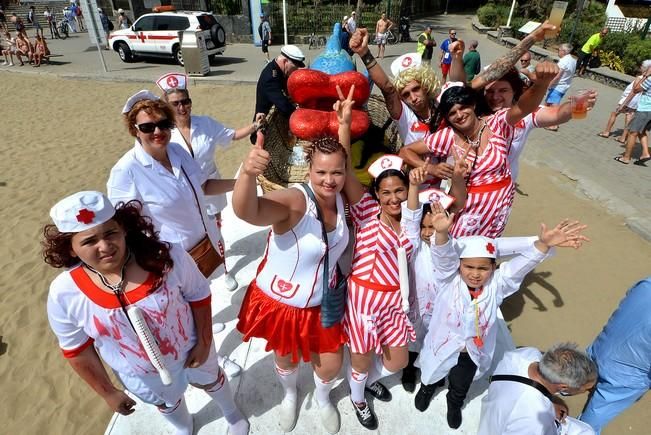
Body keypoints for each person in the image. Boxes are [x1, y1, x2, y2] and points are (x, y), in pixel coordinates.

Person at [43, 191, 249, 435]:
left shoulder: (166, 256)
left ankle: (231, 412)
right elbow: (76, 350)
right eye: (89, 241)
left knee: (212, 380)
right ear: (71, 249)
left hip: (194, 350)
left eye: (111, 233)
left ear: (124, 229)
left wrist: (204, 343)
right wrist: (108, 392)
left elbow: (198, 294)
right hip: (141, 376)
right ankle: (185, 427)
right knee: (167, 402)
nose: (105, 246)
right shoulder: (64, 293)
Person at [232, 93, 353, 433]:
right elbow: (248, 211)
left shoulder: (341, 194)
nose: (329, 180)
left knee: (330, 365)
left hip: (324, 301)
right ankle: (289, 395)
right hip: (285, 302)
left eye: (336, 173)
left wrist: (343, 125)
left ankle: (325, 398)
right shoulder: (296, 201)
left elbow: (338, 157)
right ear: (308, 169)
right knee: (286, 359)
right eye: (321, 173)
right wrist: (246, 173)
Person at [417, 207, 588, 428]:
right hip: (442, 345)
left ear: (494, 267)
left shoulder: (496, 285)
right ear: (458, 266)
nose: (475, 273)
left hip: (471, 352)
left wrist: (543, 244)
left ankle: (454, 402)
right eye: (468, 266)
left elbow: (519, 267)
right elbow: (442, 257)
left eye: (483, 268)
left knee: (461, 382)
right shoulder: (448, 280)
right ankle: (426, 389)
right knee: (432, 371)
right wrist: (441, 234)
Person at [400, 61, 559, 238]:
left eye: (463, 107)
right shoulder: (447, 134)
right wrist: (433, 169)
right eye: (452, 113)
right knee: (458, 247)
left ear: (473, 105)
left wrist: (543, 85)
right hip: (465, 204)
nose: (459, 115)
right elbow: (406, 151)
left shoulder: (496, 122)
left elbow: (525, 108)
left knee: (486, 254)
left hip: (500, 200)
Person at [107, 91, 235, 280]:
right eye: (148, 127)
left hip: (203, 247)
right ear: (135, 130)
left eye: (164, 124)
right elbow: (124, 227)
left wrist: (243, 181)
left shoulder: (177, 151)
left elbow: (204, 186)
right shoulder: (126, 171)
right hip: (170, 262)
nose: (158, 132)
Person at [157, 72, 265, 297]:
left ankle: (225, 270)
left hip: (211, 185)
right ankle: (196, 275)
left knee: (216, 231)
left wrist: (255, 126)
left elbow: (232, 135)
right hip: (183, 194)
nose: (182, 107)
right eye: (175, 103)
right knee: (192, 236)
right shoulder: (163, 135)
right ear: (166, 106)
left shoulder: (204, 124)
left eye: (185, 101)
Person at [481, 69, 597, 182]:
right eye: (490, 91)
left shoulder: (526, 114)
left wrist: (578, 106)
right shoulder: (473, 111)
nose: (495, 97)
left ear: (514, 91)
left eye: (503, 90)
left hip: (502, 186)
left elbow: (558, 115)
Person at [579, 277, 651, 433]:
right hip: (624, 379)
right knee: (589, 423)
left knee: (569, 379)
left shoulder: (647, 284)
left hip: (601, 348)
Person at [478, 343, 597, 434]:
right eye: (586, 389)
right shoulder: (536, 418)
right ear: (563, 387)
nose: (589, 391)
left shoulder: (525, 354)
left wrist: (551, 403)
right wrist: (549, 408)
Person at [252, 44, 304, 143]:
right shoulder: (270, 78)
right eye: (295, 67)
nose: (295, 70)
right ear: (285, 62)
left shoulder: (278, 70)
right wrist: (301, 116)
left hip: (275, 120)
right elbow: (284, 105)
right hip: (265, 126)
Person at [598, 61, 648, 142]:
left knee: (614, 113)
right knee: (629, 116)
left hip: (628, 99)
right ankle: (623, 137)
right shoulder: (648, 81)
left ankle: (606, 132)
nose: (640, 67)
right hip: (636, 101)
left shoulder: (640, 78)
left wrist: (624, 103)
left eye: (642, 66)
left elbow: (633, 90)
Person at [615, 63, 651, 166]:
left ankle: (626, 157)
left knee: (632, 132)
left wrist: (645, 76)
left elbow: (635, 89)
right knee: (642, 131)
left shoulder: (649, 79)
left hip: (645, 109)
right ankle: (645, 153)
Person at [544, 43, 576, 131]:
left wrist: (548, 85)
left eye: (559, 50)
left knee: (554, 106)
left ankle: (554, 125)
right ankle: (544, 119)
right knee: (547, 103)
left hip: (557, 86)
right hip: (564, 86)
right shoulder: (573, 60)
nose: (558, 51)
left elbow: (557, 76)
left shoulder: (563, 62)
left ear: (564, 51)